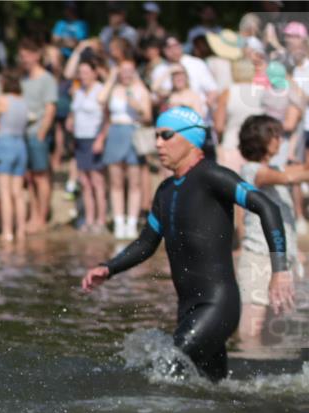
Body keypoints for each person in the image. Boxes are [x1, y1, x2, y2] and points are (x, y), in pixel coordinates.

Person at [81, 107, 295, 382]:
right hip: (188, 309)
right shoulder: (166, 190)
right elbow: (146, 243)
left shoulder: (212, 176)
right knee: (208, 392)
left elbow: (267, 208)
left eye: (166, 135)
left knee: (165, 372)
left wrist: (280, 271)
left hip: (217, 306)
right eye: (156, 136)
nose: (158, 143)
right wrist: (107, 268)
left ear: (191, 138)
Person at [235, 115, 308, 345]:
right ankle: (245, 373)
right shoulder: (252, 171)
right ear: (259, 139)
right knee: (251, 330)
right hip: (259, 259)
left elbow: (300, 169)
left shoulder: (275, 167)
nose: (279, 139)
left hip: (280, 262)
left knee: (274, 330)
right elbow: (290, 176)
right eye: (273, 134)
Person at [99, 59, 151, 239]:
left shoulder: (140, 89)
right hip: (115, 132)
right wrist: (111, 77)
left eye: (130, 70)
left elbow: (147, 116)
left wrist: (136, 105)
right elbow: (101, 99)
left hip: (133, 131)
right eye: (123, 70)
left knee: (135, 181)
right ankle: (119, 221)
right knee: (115, 180)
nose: (126, 74)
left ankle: (132, 222)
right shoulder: (114, 88)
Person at [18, 39, 58, 233]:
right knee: (31, 178)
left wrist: (42, 132)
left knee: (41, 176)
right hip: (23, 133)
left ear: (36, 55)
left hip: (38, 134)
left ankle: (42, 218)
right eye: (22, 54)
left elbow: (50, 108)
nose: (23, 58)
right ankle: (33, 215)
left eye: (26, 54)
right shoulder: (24, 79)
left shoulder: (47, 79)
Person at [0, 69, 29, 242]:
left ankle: (7, 231)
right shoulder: (23, 102)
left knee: (4, 191)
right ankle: (20, 230)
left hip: (5, 143)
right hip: (21, 145)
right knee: (18, 193)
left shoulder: (2, 100)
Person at [68, 59, 107, 232]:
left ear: (94, 72)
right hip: (80, 139)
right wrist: (71, 120)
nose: (82, 76)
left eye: (85, 72)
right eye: (80, 73)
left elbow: (107, 118)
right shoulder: (78, 91)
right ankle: (89, 219)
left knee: (97, 180)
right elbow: (74, 111)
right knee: (84, 181)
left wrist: (101, 138)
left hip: (94, 138)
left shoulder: (100, 91)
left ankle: (101, 220)